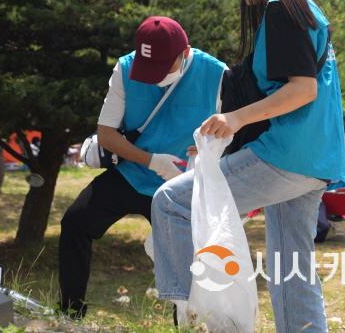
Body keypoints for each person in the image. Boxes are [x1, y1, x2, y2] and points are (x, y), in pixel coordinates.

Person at [151, 0, 345, 332]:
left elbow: (302, 90)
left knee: (171, 203)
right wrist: (221, 140)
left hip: (285, 156)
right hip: (316, 160)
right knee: (292, 271)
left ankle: (192, 316)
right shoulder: (307, 9)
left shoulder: (281, 10)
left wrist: (235, 118)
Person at [58, 17, 227, 318]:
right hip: (133, 172)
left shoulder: (217, 75)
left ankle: (183, 323)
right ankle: (70, 313)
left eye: (163, 68)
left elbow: (234, 129)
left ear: (185, 53)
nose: (153, 77)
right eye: (148, 67)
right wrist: (152, 161)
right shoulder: (125, 69)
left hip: (180, 183)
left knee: (184, 257)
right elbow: (107, 134)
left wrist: (210, 151)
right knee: (75, 222)